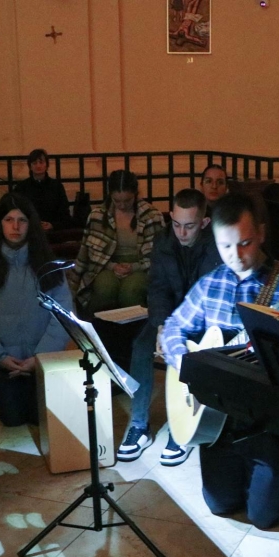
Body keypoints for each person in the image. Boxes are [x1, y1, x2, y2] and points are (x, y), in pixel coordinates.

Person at [161, 193, 279, 526]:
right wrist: (187, 367)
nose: (235, 255)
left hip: (264, 421)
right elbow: (173, 328)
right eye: (225, 246)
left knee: (263, 516)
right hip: (219, 419)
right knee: (219, 504)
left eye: (245, 243)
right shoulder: (210, 285)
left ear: (260, 233)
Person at [117, 188, 221, 464]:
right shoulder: (163, 241)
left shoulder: (215, 245)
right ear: (171, 216)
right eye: (176, 224)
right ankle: (139, 425)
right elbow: (158, 288)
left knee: (185, 352)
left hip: (202, 319)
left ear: (204, 222)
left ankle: (183, 427)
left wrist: (176, 333)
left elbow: (209, 296)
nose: (181, 233)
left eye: (189, 226)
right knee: (141, 346)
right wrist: (162, 325)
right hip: (170, 315)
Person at [0, 193, 71, 427]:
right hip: (4, 359)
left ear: (31, 224)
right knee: (11, 419)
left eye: (22, 220)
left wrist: (41, 356)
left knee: (40, 419)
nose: (15, 226)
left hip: (42, 357)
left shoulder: (48, 264)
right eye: (9, 220)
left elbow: (63, 314)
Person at [68, 169, 164, 315]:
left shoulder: (151, 216)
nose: (122, 205)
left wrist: (133, 267)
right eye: (117, 201)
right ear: (110, 196)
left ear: (136, 194)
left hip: (142, 266)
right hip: (107, 264)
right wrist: (72, 286)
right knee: (105, 288)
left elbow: (159, 254)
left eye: (127, 200)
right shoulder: (98, 215)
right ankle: (100, 326)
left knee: (131, 291)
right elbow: (86, 254)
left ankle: (135, 328)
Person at [13, 148, 75, 231]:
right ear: (30, 166)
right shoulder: (21, 187)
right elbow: (16, 212)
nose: (38, 166)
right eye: (34, 163)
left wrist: (52, 225)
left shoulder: (57, 186)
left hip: (52, 232)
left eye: (41, 162)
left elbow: (64, 214)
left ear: (46, 165)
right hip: (28, 231)